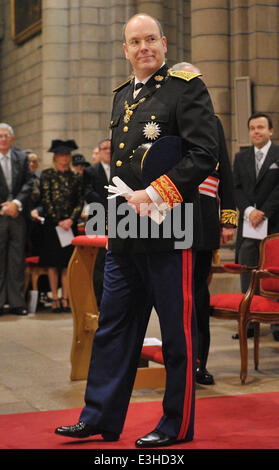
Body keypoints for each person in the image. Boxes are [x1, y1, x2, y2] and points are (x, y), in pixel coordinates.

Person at [55, 13, 218, 447]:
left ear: (164, 44)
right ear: (125, 50)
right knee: (114, 323)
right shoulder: (122, 95)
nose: (144, 47)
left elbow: (205, 153)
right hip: (128, 222)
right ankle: (99, 417)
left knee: (176, 330)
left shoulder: (186, 86)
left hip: (172, 218)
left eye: (151, 40)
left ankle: (175, 425)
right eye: (135, 41)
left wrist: (156, 192)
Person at [171, 62, 237, 385]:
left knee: (198, 292)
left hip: (204, 214)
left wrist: (228, 219)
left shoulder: (212, 122)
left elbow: (225, 169)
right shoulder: (165, 116)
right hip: (170, 213)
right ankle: (177, 359)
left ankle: (199, 361)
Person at [233, 112, 279, 340]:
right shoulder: (241, 157)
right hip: (249, 223)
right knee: (247, 269)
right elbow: (236, 187)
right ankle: (248, 322)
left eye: (261, 127)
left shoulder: (278, 154)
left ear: (271, 131)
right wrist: (249, 211)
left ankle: (277, 325)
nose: (256, 132)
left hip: (274, 223)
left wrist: (264, 212)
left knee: (274, 272)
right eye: (252, 128)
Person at [39, 140, 83, 313]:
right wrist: (58, 220)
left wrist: (71, 219)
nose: (64, 157)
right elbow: (46, 199)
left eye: (66, 155)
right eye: (61, 155)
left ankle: (65, 298)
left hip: (69, 225)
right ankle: (54, 298)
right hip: (53, 224)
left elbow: (80, 201)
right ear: (55, 157)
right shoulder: (47, 174)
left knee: (66, 263)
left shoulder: (75, 176)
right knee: (52, 263)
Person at [0, 123, 33, 315]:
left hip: (18, 215)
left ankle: (16, 302)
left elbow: (29, 182)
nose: (3, 139)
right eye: (0, 136)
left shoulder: (21, 157)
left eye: (6, 136)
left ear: (11, 138)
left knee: (16, 259)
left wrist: (16, 203)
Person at [83, 138, 111, 307]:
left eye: (110, 148)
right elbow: (88, 193)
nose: (108, 151)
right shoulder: (91, 171)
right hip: (98, 219)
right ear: (99, 152)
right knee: (98, 262)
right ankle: (98, 301)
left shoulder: (121, 170)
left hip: (120, 220)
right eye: (104, 148)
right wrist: (108, 206)